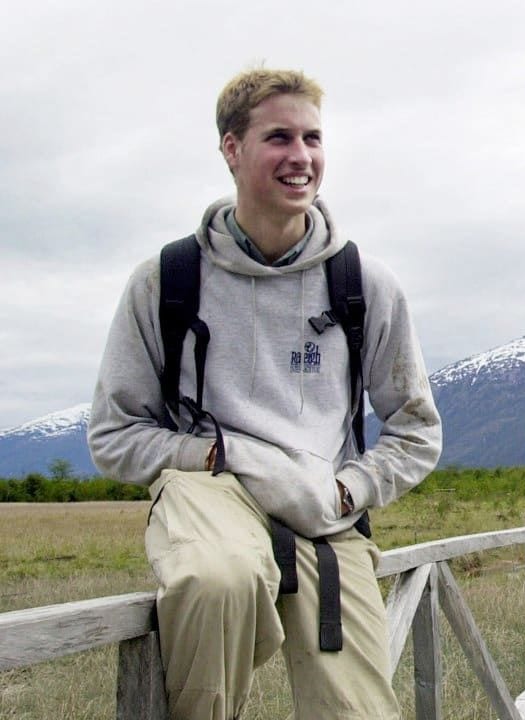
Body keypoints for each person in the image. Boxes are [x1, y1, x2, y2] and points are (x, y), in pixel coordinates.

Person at [88, 68, 442, 720]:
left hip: (323, 508)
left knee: (357, 711)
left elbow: (416, 430)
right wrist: (210, 459)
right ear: (231, 148)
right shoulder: (166, 281)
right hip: (208, 493)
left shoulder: (361, 283)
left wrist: (351, 489)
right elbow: (114, 434)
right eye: (279, 137)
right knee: (217, 581)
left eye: (312, 137)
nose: (301, 157)